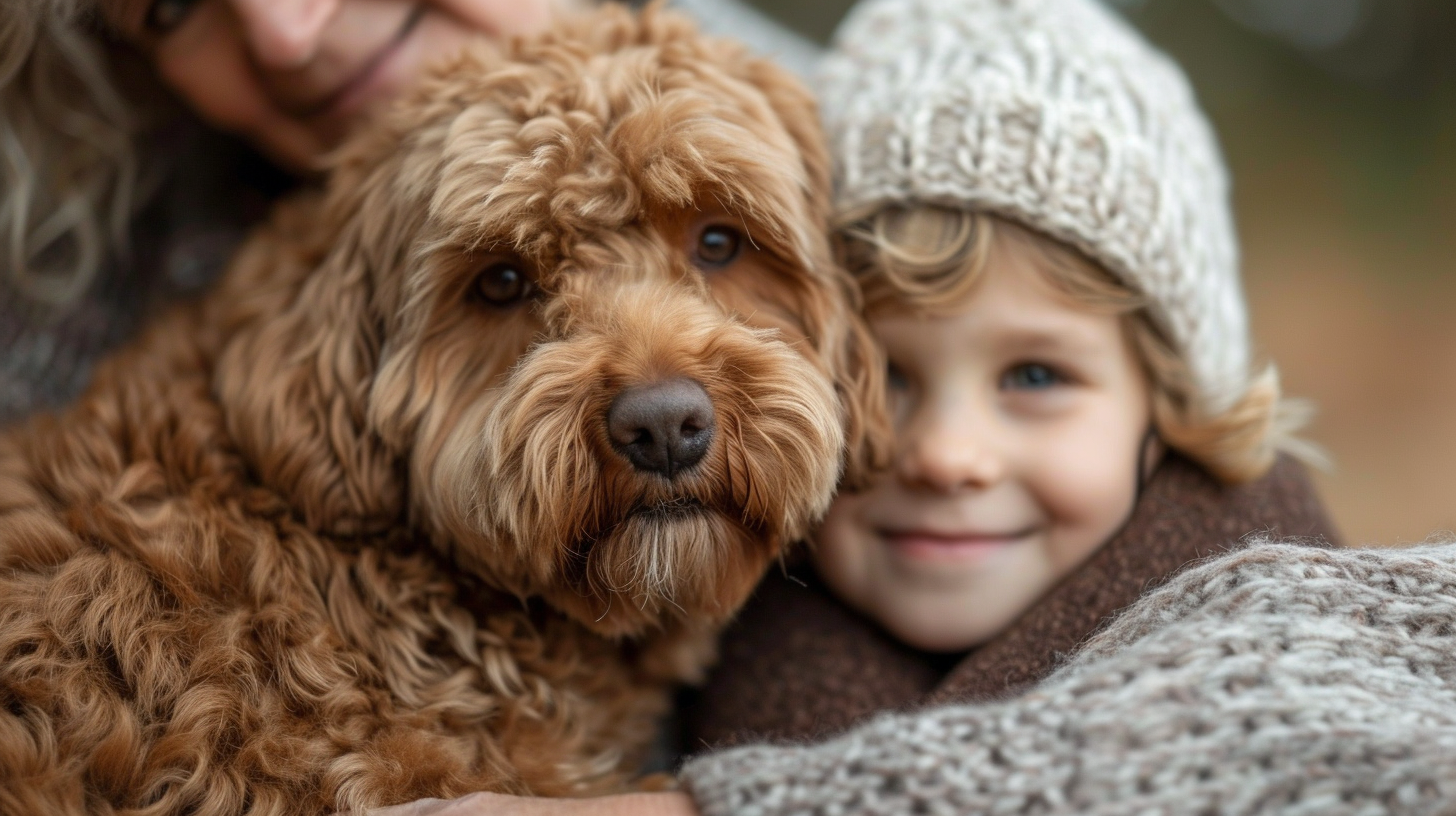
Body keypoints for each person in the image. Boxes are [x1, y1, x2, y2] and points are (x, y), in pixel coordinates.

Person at [0, 0, 817, 424]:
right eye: (170, 5)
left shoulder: (845, 113)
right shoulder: (67, 317)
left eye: (715, 243)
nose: (285, 34)